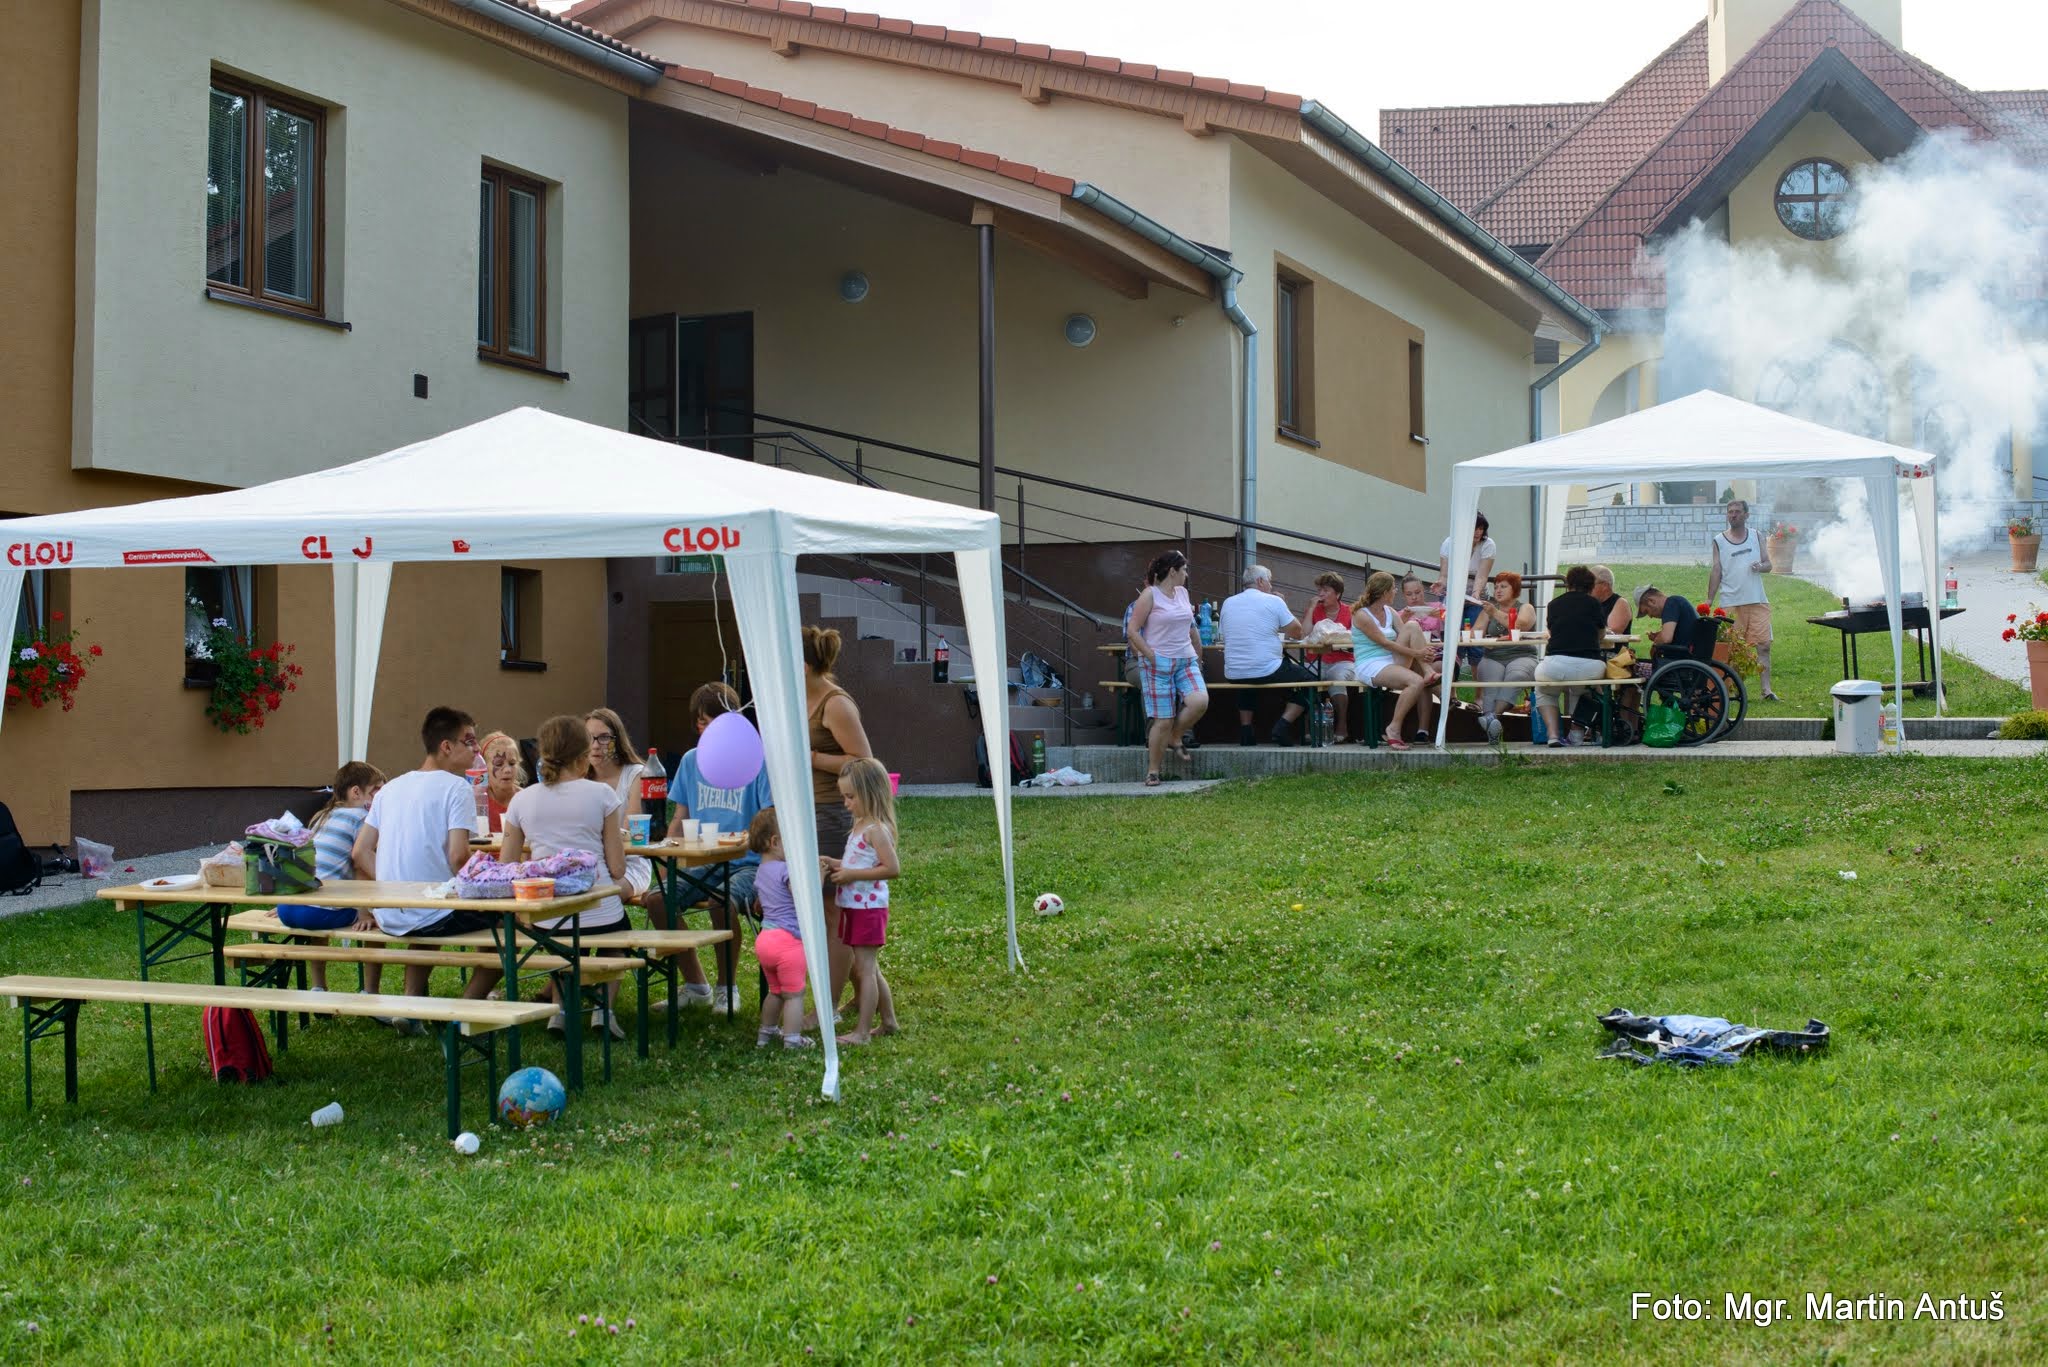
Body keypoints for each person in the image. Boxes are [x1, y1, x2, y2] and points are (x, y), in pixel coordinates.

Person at [353, 707, 501, 1030]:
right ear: (446, 746)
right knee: (507, 930)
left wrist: (394, 882)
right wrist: (493, 882)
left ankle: (411, 1007)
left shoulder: (390, 788)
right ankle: (461, 1014)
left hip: (389, 913)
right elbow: (458, 857)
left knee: (434, 909)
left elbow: (360, 850)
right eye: (469, 741)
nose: (477, 748)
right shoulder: (457, 788)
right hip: (428, 912)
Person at [500, 714, 633, 1039]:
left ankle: (560, 1011)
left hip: (547, 913)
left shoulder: (522, 799)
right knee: (617, 939)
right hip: (599, 907)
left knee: (562, 941)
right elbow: (617, 868)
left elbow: (506, 865)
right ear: (583, 756)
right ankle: (604, 1010)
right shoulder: (602, 795)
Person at [668, 680, 774, 1015]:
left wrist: (770, 876)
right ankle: (695, 985)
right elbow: (680, 817)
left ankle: (727, 988)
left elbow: (772, 821)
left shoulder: (757, 761)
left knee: (720, 901)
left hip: (749, 862)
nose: (707, 730)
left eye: (713, 721)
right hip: (704, 861)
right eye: (701, 722)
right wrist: (667, 859)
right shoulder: (691, 761)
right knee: (658, 899)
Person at [586, 707, 691, 994]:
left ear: (617, 740)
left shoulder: (636, 774)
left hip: (630, 864)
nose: (596, 745)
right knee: (575, 897)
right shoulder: (580, 778)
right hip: (590, 865)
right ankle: (572, 979)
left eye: (603, 738)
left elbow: (632, 832)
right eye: (589, 738)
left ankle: (587, 982)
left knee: (599, 898)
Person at [804, 624, 874, 1027]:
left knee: (833, 913)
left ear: (803, 665)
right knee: (822, 912)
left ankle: (825, 1009)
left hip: (832, 813)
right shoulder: (796, 699)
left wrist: (813, 757)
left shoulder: (835, 704)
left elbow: (864, 762)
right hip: (805, 812)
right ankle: (864, 993)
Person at [281, 761, 385, 993]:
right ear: (356, 792)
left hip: (288, 907)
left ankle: (318, 986)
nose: (381, 794)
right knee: (378, 923)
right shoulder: (363, 818)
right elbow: (361, 866)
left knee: (322, 905)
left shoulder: (322, 816)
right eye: (376, 789)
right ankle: (370, 991)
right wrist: (365, 912)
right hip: (317, 912)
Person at [819, 757, 900, 1046]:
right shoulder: (860, 826)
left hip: (868, 909)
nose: (846, 803)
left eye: (851, 796)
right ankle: (888, 1021)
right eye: (844, 796)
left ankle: (862, 1033)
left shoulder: (876, 829)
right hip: (854, 907)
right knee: (870, 968)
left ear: (870, 793)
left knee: (865, 970)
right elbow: (861, 863)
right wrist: (836, 863)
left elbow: (892, 869)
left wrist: (851, 874)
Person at [1126, 550, 1209, 785]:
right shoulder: (1149, 595)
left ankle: (1175, 735)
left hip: (1185, 659)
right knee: (1162, 720)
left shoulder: (1183, 593)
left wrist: (1197, 656)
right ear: (1172, 571)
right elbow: (1132, 630)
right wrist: (1151, 656)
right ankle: (1153, 771)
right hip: (1158, 663)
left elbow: (1191, 628)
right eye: (1184, 570)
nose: (1186, 574)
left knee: (1199, 702)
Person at [1218, 564, 1310, 747]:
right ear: (1260, 581)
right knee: (1309, 681)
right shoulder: (1274, 601)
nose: (1271, 586)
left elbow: (1222, 635)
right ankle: (1282, 726)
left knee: (1247, 680)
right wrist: (1282, 605)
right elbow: (1297, 632)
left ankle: (1246, 732)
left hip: (1233, 672)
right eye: (1270, 581)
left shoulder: (1228, 602)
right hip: (1267, 670)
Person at [745, 808, 812, 1051]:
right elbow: (801, 897)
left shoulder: (761, 872)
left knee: (775, 991)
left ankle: (766, 1034)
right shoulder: (786, 870)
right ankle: (792, 1039)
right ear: (774, 842)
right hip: (789, 941)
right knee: (794, 994)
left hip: (766, 940)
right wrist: (819, 879)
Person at [1349, 570, 1439, 750]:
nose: (1396, 591)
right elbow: (1385, 643)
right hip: (1370, 663)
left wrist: (1422, 653)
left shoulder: (1389, 611)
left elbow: (1406, 633)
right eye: (1393, 589)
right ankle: (1393, 728)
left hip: (1390, 659)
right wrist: (1418, 653)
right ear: (1384, 592)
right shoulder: (1361, 615)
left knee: (1412, 625)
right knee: (1416, 682)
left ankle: (1428, 671)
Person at [1709, 498, 1778, 700]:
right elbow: (1716, 570)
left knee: (1763, 645)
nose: (1733, 515)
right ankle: (1730, 691)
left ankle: (1766, 691)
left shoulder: (1756, 536)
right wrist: (1709, 601)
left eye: (1737, 511)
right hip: (1730, 602)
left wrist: (1760, 566)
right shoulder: (1719, 540)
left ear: (1746, 515)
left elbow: (1768, 564)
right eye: (1730, 512)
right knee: (1732, 649)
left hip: (1757, 600)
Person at [1533, 566, 1609, 748]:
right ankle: (1577, 733)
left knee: (1544, 691)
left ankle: (1553, 735)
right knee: (1585, 690)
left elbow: (1552, 632)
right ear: (1590, 586)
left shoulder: (1554, 604)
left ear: (1568, 584)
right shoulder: (1594, 604)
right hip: (1589, 666)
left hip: (1555, 664)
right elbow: (1601, 634)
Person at [1472, 572, 1538, 742]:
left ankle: (1491, 717)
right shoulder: (1488, 610)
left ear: (1514, 589)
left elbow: (1521, 625)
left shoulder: (1525, 607)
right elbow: (1474, 633)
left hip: (1522, 654)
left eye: (1503, 586)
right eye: (1496, 587)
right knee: (1491, 685)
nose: (1498, 590)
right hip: (1493, 655)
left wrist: (1494, 612)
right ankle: (1493, 732)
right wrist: (1485, 640)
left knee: (1515, 675)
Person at [1304, 572, 1354, 744]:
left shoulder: (1350, 611)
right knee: (1305, 678)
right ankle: (1308, 727)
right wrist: (1311, 608)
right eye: (1319, 590)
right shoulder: (1315, 610)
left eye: (1325, 591)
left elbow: (1355, 639)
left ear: (1337, 594)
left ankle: (1342, 725)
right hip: (1315, 660)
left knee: (1337, 678)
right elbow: (1305, 634)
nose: (1321, 594)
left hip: (1342, 660)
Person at [1436, 514, 1496, 639]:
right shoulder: (1449, 543)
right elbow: (1444, 575)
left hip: (1475, 597)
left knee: (1475, 637)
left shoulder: (1488, 544)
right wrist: (1440, 584)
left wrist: (1476, 593)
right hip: (1452, 596)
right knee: (1453, 635)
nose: (1478, 532)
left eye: (1481, 528)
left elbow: (1482, 576)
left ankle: (1474, 655)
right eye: (1475, 528)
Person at [1634, 584, 1701, 659]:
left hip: (1682, 660)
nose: (1650, 616)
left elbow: (1666, 638)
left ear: (1651, 601)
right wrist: (1659, 636)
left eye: (1647, 611)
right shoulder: (1675, 603)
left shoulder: (1671, 603)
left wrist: (1655, 645)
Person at [478, 732, 524, 834]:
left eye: (512, 763)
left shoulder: (526, 800)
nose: (507, 770)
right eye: (498, 764)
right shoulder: (478, 801)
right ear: (484, 768)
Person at [1589, 565, 1635, 639]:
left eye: (1590, 584)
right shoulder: (1590, 604)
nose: (1587, 587)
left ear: (1605, 585)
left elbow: (1612, 633)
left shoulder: (1620, 603)